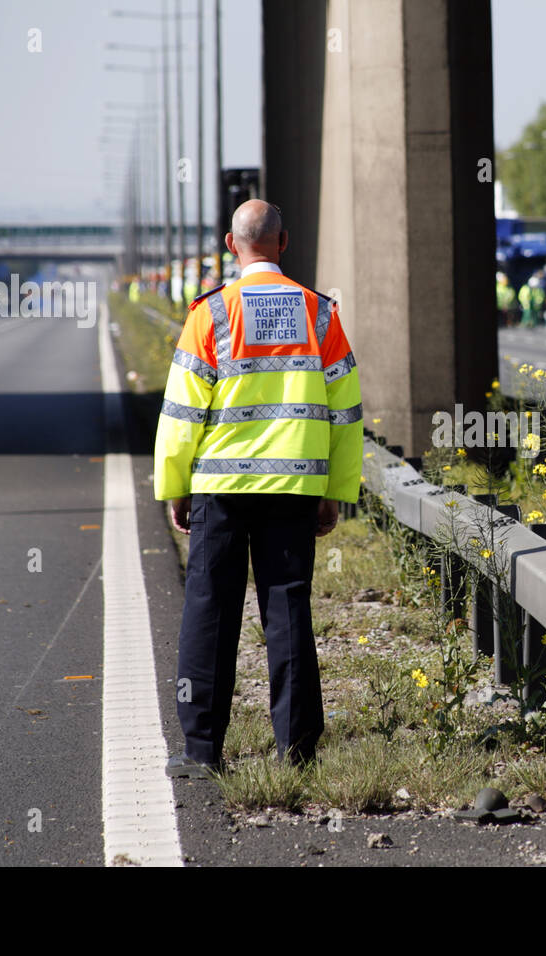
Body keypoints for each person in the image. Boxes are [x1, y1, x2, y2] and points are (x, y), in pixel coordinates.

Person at [155, 199, 363, 777]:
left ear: (230, 245)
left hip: (220, 486)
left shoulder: (210, 314)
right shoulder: (320, 313)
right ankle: (295, 752)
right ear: (285, 243)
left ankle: (201, 750)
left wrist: (177, 486)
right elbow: (346, 410)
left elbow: (180, 413)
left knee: (210, 607)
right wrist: (334, 490)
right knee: (287, 605)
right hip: (294, 485)